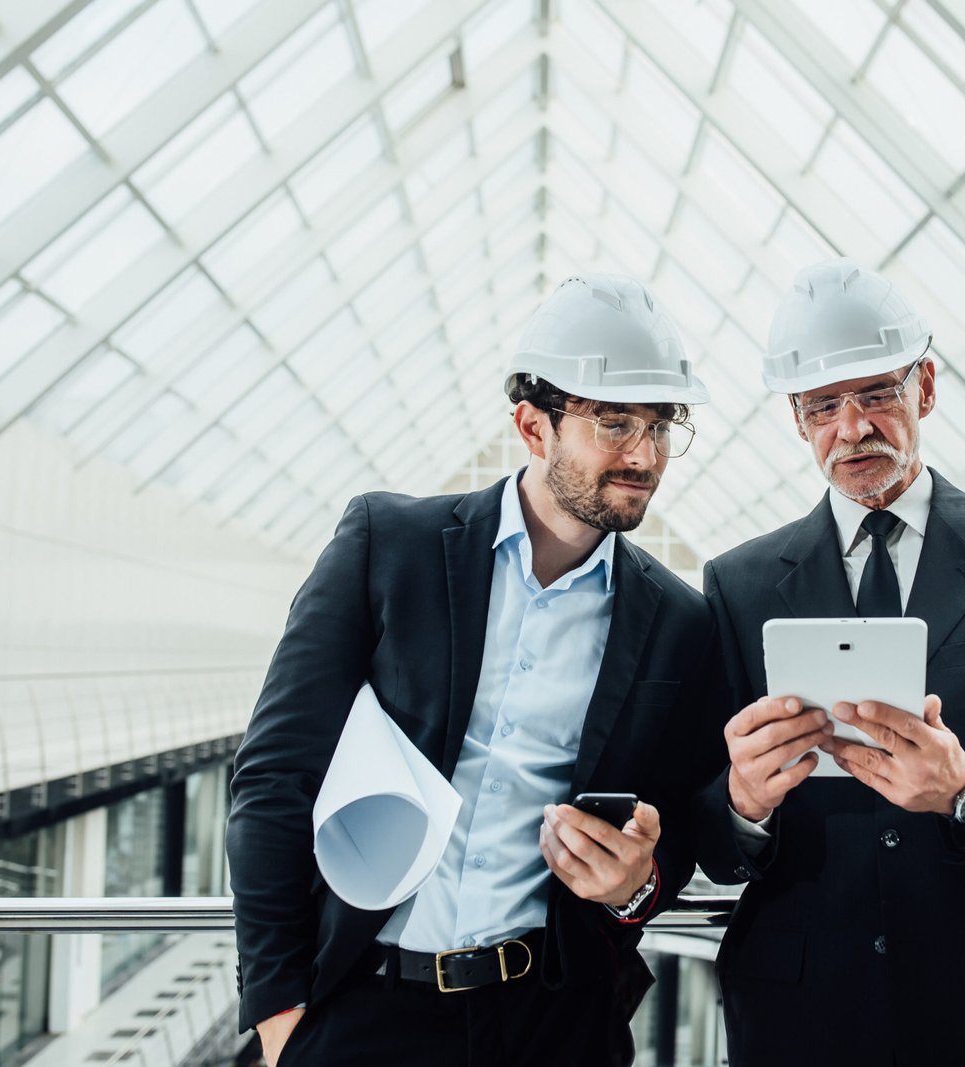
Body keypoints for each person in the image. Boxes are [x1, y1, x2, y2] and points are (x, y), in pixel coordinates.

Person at [228, 273, 726, 1067]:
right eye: (614, 423)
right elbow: (273, 776)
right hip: (362, 1010)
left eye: (662, 425)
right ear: (533, 426)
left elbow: (683, 830)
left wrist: (635, 881)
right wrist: (279, 1013)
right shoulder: (387, 545)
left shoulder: (679, 621)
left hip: (554, 1023)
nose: (645, 454)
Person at [693, 258, 965, 1066]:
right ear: (797, 419)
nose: (851, 428)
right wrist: (743, 802)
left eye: (876, 394)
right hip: (804, 1016)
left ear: (924, 387)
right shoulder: (738, 584)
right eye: (823, 406)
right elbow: (712, 840)